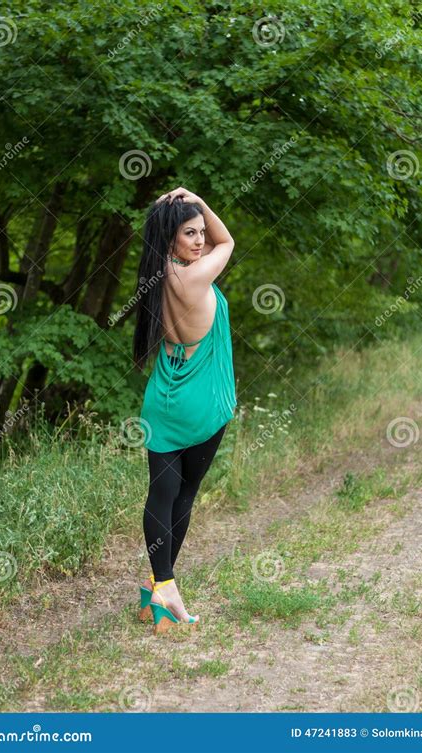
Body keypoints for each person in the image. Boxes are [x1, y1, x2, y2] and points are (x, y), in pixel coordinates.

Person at [132, 186, 237, 633]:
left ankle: (159, 586)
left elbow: (201, 241)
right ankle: (167, 586)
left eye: (200, 232)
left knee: (161, 493)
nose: (200, 240)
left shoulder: (160, 270)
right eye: (189, 233)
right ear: (171, 239)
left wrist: (170, 212)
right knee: (183, 495)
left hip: (162, 401)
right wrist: (197, 199)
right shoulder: (197, 278)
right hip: (200, 406)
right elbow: (227, 241)